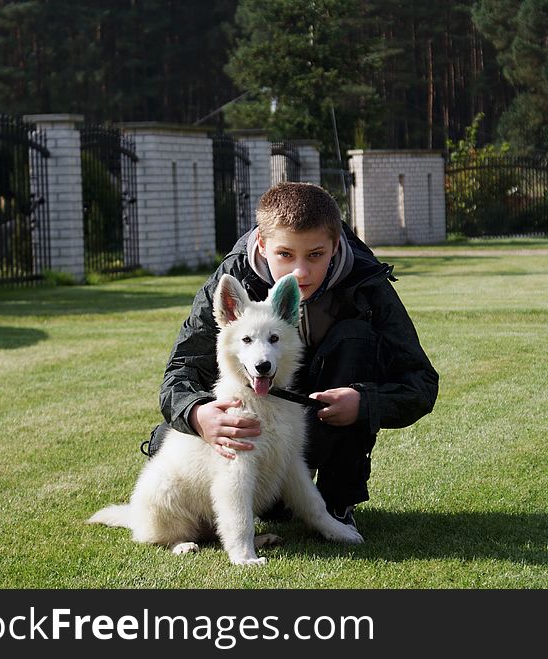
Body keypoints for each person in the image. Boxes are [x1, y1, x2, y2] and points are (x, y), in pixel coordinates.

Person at [148, 181, 438, 534]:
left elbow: (421, 383)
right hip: (249, 436)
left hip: (321, 427)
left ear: (335, 246)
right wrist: (197, 414)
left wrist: (364, 402)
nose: (300, 271)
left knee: (356, 338)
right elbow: (180, 371)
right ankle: (265, 507)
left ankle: (336, 501)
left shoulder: (367, 283)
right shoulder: (230, 283)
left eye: (315, 255)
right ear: (262, 244)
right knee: (168, 442)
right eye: (285, 255)